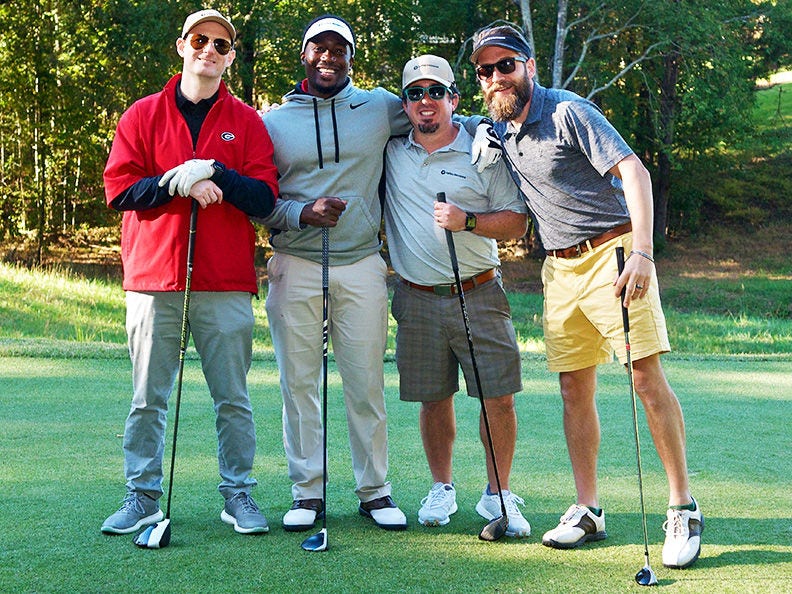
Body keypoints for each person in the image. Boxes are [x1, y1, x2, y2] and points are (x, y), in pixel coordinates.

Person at [471, 25, 703, 568]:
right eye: (486, 70)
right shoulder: (499, 130)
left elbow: (634, 171)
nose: (497, 76)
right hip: (559, 268)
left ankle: (682, 508)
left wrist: (644, 251)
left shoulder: (568, 111)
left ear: (528, 65)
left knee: (645, 378)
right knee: (574, 388)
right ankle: (588, 508)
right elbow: (445, 121)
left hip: (615, 254)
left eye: (506, 64)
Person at [257, 14, 500, 532]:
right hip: (296, 262)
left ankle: (374, 491)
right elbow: (258, 197)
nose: (328, 57)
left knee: (364, 383)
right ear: (303, 56)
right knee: (299, 384)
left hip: (361, 263)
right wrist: (299, 213)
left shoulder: (380, 105)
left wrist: (484, 130)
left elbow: (435, 114)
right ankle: (308, 493)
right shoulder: (273, 122)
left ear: (351, 57)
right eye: (318, 49)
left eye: (338, 49)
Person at [101, 9, 278, 537]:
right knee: (146, 399)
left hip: (223, 280)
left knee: (233, 398)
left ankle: (238, 494)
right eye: (200, 39)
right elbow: (121, 191)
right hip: (155, 279)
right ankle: (141, 496)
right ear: (182, 45)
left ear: (229, 56)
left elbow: (266, 196)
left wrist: (217, 173)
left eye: (221, 44)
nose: (210, 50)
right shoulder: (142, 114)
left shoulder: (246, 121)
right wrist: (178, 180)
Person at [383, 55, 531, 536]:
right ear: (404, 103)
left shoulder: (482, 148)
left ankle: (498, 493)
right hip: (416, 295)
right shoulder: (390, 149)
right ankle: (441, 486)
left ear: (453, 98)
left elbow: (516, 219)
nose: (425, 102)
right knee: (433, 399)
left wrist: (467, 220)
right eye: (414, 93)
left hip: (479, 291)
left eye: (435, 92)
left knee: (498, 398)